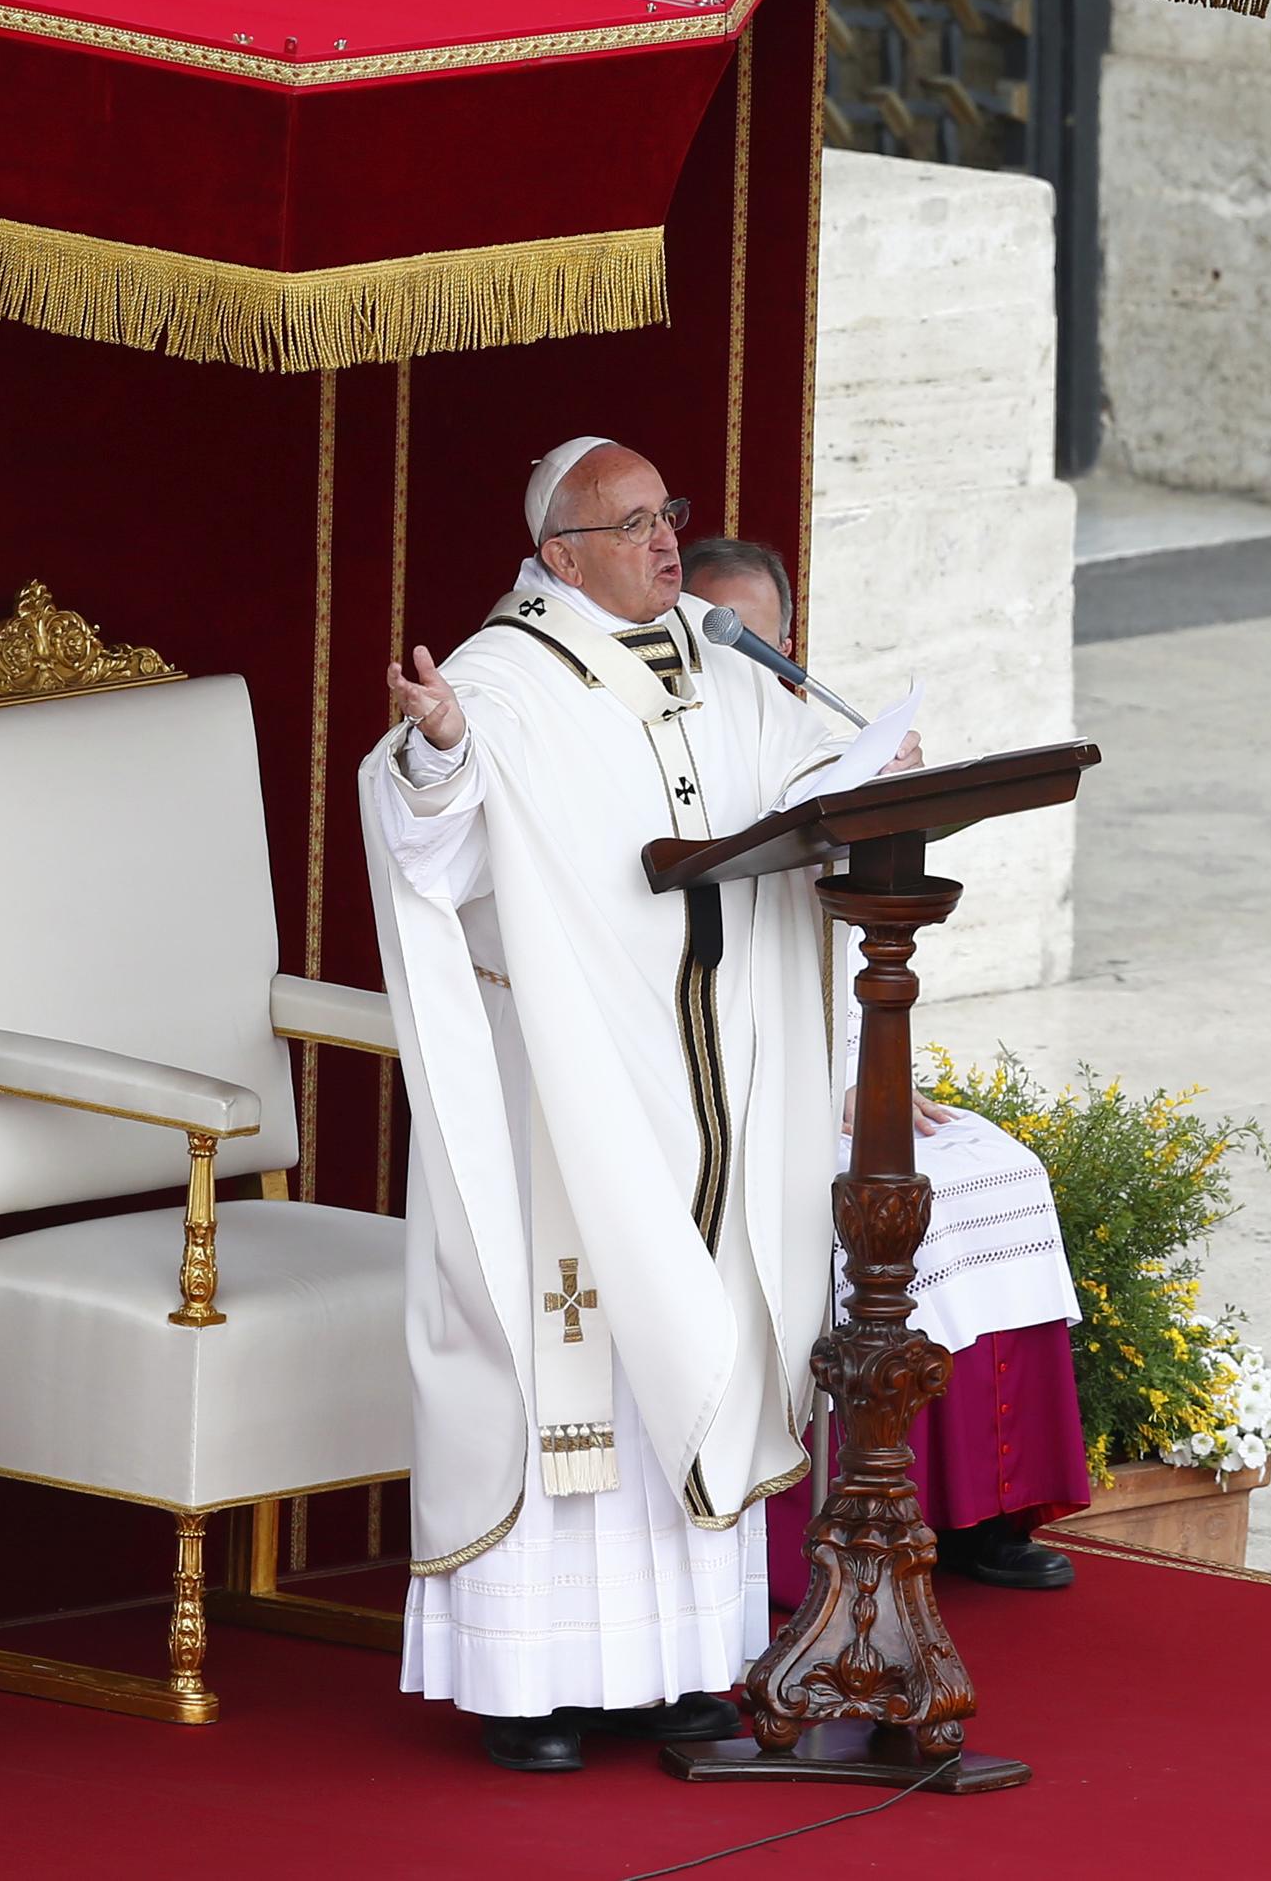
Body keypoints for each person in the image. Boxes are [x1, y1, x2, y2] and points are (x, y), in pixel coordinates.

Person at [363, 439, 898, 1773]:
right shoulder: (499, 683)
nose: (670, 539)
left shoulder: (722, 658)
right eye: (636, 522)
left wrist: (870, 777)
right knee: (580, 1355)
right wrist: (433, 756)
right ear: (560, 556)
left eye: (672, 515)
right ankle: (531, 1686)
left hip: (710, 1072)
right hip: (570, 1090)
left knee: (701, 1327)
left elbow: (791, 787)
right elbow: (430, 839)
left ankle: (681, 1670)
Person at [681, 537, 1091, 1597]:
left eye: (758, 639)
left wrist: (871, 1068)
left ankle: (984, 1509)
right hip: (722, 1081)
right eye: (718, 635)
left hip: (834, 1063)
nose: (745, 659)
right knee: (837, 1215)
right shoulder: (673, 753)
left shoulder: (819, 746)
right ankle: (794, 1533)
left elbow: (840, 931)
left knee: (989, 1170)